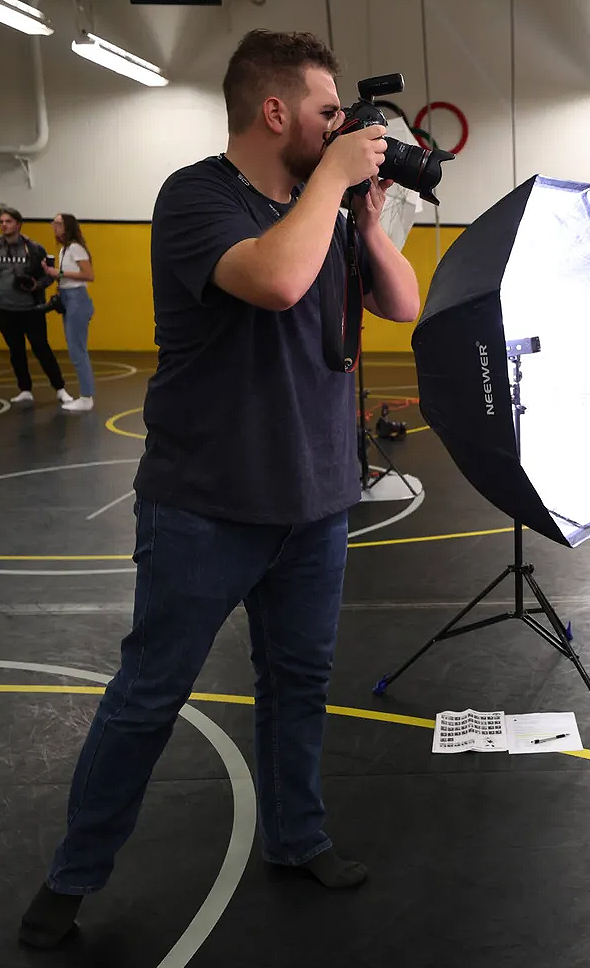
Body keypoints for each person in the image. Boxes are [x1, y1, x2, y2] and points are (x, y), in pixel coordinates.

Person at [18, 28, 421, 949]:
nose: (341, 127)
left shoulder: (325, 212)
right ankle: (71, 879)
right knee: (150, 692)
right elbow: (276, 284)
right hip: (204, 505)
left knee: (298, 685)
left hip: (315, 503)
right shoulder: (197, 196)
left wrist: (362, 218)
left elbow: (401, 305)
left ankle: (297, 836)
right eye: (328, 114)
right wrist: (329, 184)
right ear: (274, 112)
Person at [0, 206, 73, 406]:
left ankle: (60, 388)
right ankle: (25, 390)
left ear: (18, 224)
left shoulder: (34, 248)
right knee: (16, 351)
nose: (4, 225)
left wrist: (36, 285)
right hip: (5, 310)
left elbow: (49, 276)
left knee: (42, 349)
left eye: (8, 221)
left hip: (31, 309)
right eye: (1, 222)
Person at [42, 213, 97, 412]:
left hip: (77, 299)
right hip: (67, 297)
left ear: (68, 227)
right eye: (53, 223)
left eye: (58, 223)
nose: (54, 226)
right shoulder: (65, 250)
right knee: (75, 349)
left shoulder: (75, 248)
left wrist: (60, 273)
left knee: (77, 350)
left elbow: (89, 275)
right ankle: (85, 394)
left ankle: (86, 396)